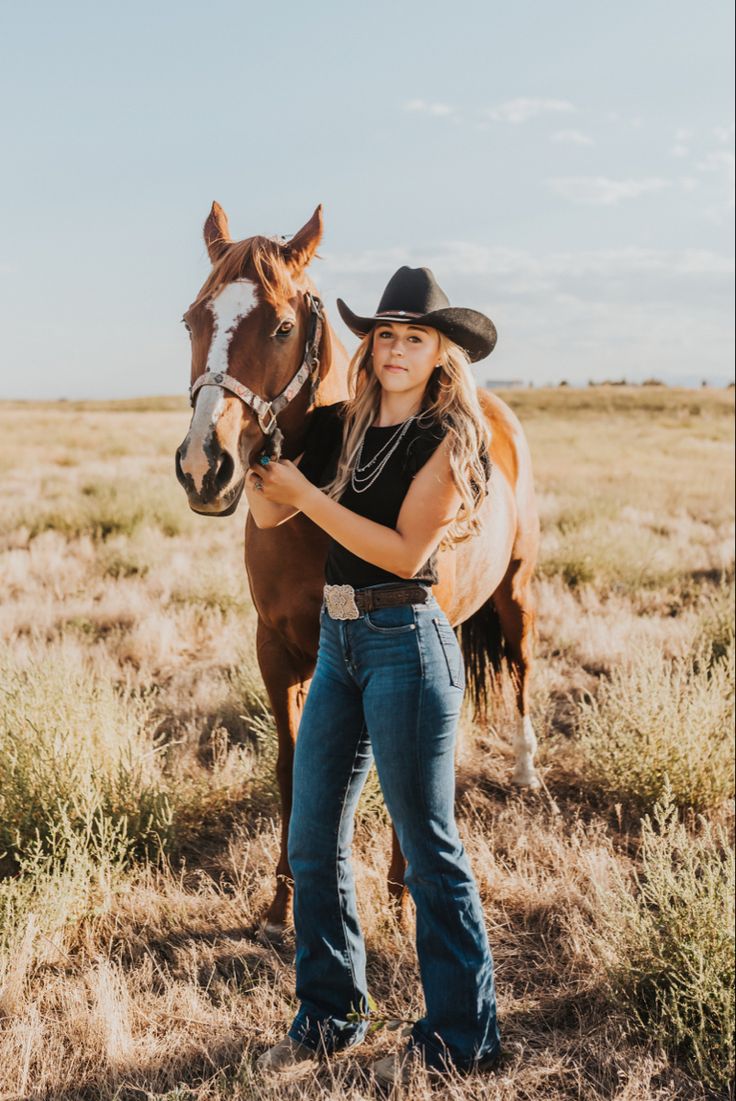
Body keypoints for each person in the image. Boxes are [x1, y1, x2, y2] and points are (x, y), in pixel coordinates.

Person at [245, 266, 501, 1087]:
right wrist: (259, 467)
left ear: (441, 354)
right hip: (339, 641)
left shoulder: (448, 441)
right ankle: (330, 1011)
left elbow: (401, 552)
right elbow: (268, 513)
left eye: (414, 337)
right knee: (312, 841)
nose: (395, 348)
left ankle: (465, 1031)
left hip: (406, 642)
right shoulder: (338, 425)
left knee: (428, 847)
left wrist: (302, 495)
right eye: (385, 333)